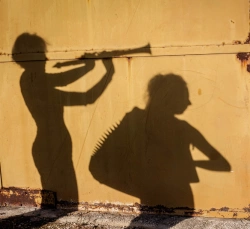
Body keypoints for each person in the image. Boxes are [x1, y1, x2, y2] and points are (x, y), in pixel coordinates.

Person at [12, 33, 114, 204]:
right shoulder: (32, 80)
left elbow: (67, 82)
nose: (45, 58)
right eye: (40, 53)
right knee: (60, 205)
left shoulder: (33, 80)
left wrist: (89, 66)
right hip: (49, 143)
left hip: (54, 141)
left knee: (58, 205)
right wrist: (105, 72)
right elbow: (84, 95)